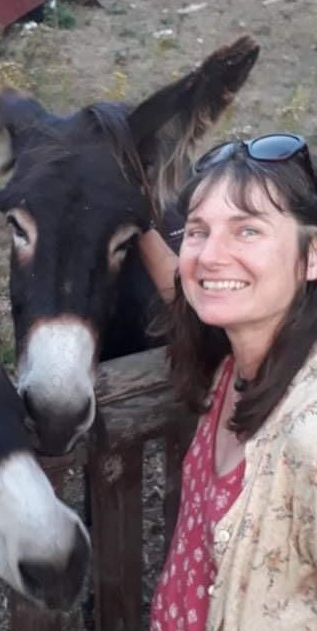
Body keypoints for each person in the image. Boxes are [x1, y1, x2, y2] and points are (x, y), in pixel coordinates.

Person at [139, 133, 317, 630]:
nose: (211, 256)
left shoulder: (309, 433)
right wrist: (138, 222)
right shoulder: (231, 371)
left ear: (312, 255)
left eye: (248, 231)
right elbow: (193, 283)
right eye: (197, 231)